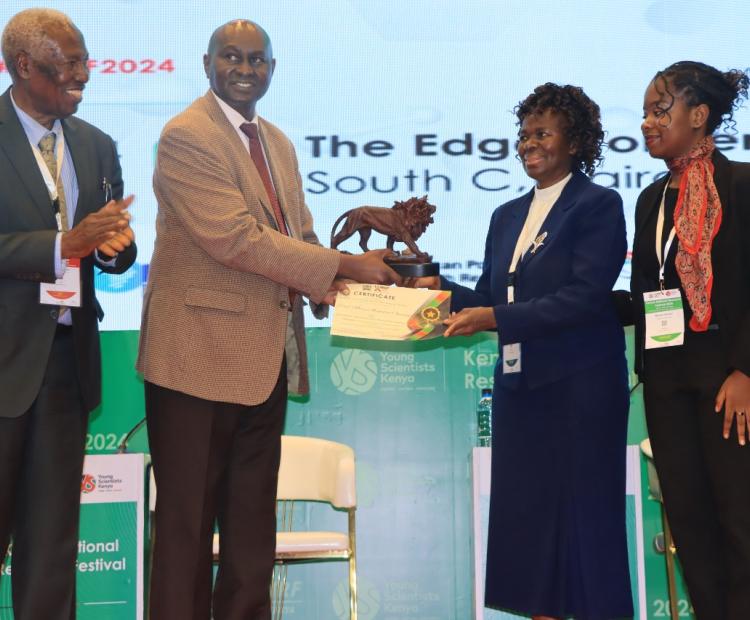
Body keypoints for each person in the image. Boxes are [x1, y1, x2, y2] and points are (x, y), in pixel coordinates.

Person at [136, 19, 400, 619]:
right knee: (185, 533)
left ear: (273, 71)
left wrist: (341, 285)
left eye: (258, 60)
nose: (245, 69)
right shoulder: (187, 135)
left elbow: (294, 236)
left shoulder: (276, 141)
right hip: (194, 363)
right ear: (207, 64)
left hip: (266, 361)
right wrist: (347, 266)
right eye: (232, 57)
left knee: (252, 536)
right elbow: (235, 240)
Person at [410, 84, 632, 619]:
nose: (528, 143)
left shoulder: (598, 204)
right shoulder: (507, 216)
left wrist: (495, 318)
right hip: (521, 391)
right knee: (529, 529)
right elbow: (490, 298)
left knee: (585, 525)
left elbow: (584, 298)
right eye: (523, 134)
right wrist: (433, 287)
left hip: (582, 390)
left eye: (542, 133)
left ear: (575, 141)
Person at [0, 8, 136, 619]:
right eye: (70, 63)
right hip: (2, 364)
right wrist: (63, 246)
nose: (85, 73)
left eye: (85, 60)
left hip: (66, 367)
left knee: (53, 546)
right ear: (24, 66)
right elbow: (65, 240)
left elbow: (111, 246)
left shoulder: (95, 144)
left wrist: (114, 247)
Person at [631, 61, 750, 619]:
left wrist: (746, 371)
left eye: (662, 110)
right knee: (692, 530)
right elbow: (645, 295)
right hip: (667, 383)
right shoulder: (650, 199)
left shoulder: (742, 184)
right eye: (647, 112)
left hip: (730, 381)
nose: (648, 122)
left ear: (699, 116)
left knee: (739, 525)